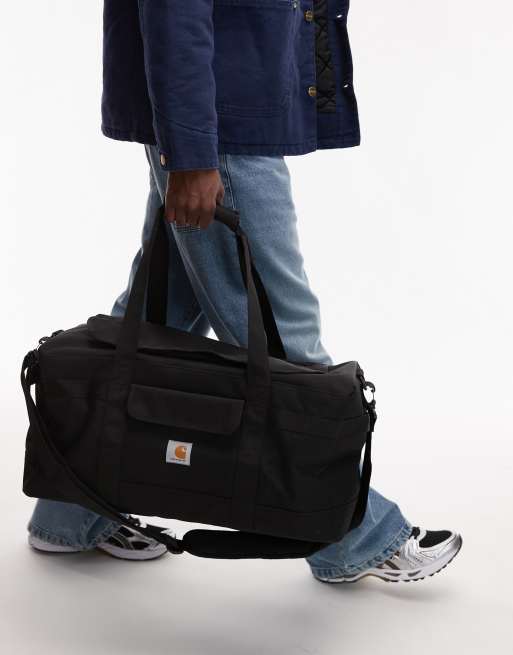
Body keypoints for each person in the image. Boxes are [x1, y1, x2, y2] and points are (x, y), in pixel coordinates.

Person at [27, 1, 461, 583]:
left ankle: (69, 510)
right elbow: (175, 14)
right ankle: (353, 536)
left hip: (222, 120)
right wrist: (193, 154)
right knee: (286, 338)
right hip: (219, 132)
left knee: (155, 322)